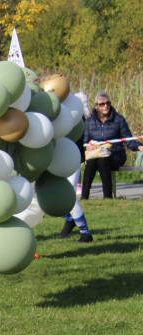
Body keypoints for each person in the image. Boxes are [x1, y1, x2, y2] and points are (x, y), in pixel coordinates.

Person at [81, 91, 140, 200]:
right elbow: (84, 142)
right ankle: (84, 196)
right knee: (92, 162)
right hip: (96, 153)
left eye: (108, 103)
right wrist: (87, 147)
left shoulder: (119, 120)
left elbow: (128, 139)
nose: (106, 106)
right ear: (96, 107)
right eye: (102, 104)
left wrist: (139, 146)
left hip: (115, 154)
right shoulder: (89, 122)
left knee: (103, 161)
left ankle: (108, 197)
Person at [60, 91, 94, 243]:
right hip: (55, 159)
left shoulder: (74, 111)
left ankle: (86, 233)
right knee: (51, 196)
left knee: (69, 197)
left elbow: (77, 141)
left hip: (71, 158)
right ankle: (70, 218)